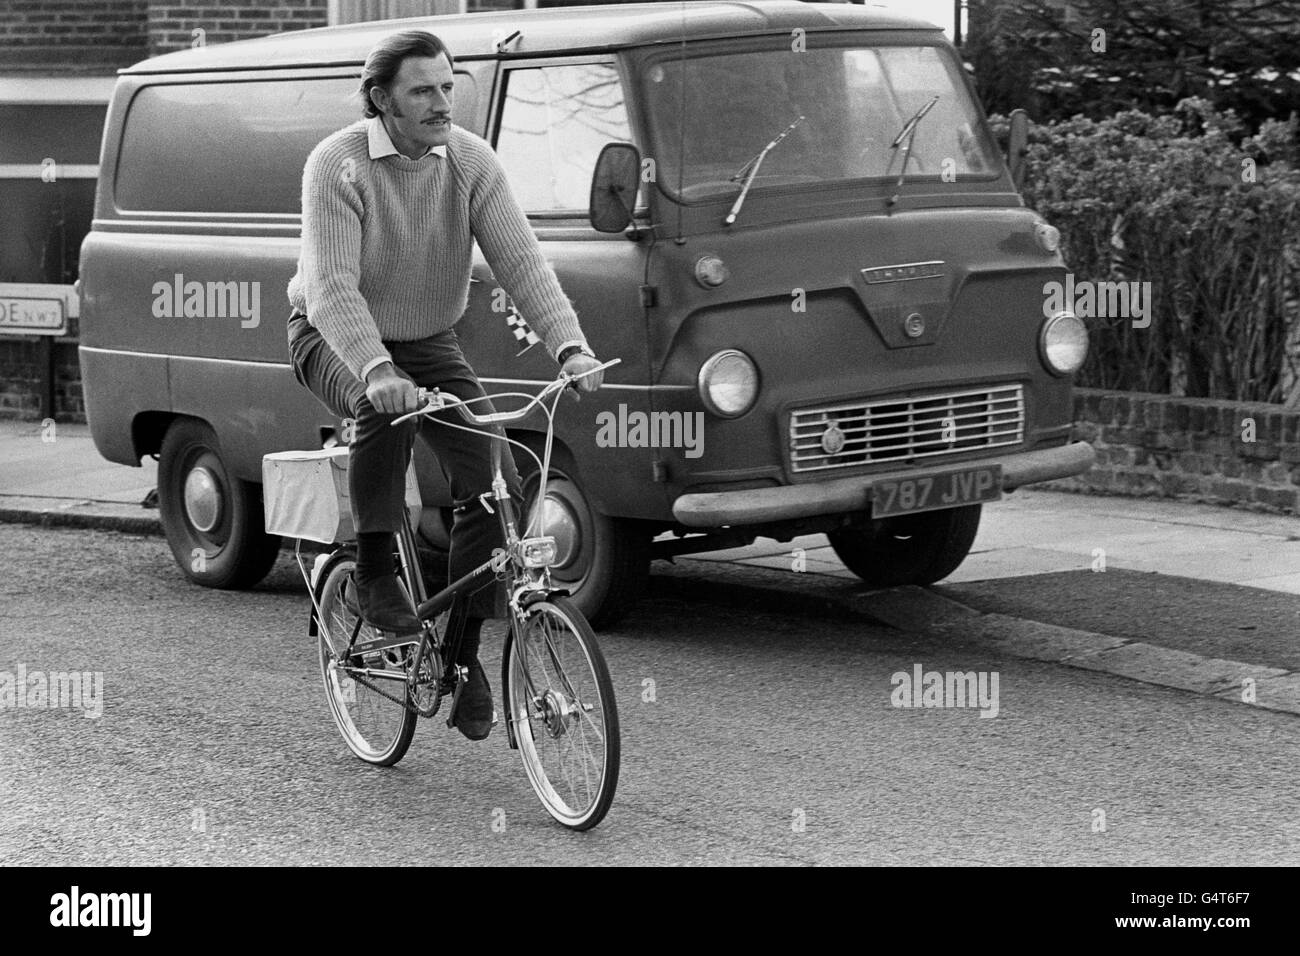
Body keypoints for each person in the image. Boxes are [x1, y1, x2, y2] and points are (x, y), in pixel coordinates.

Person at [286, 29, 603, 741]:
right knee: (383, 410)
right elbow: (334, 288)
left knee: (490, 471)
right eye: (422, 91)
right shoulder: (336, 165)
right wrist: (375, 369)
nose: (441, 103)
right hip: (331, 335)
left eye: (448, 87)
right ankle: (373, 569)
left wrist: (571, 348)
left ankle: (460, 658)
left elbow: (522, 263)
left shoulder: (469, 162)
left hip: (428, 341)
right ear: (382, 101)